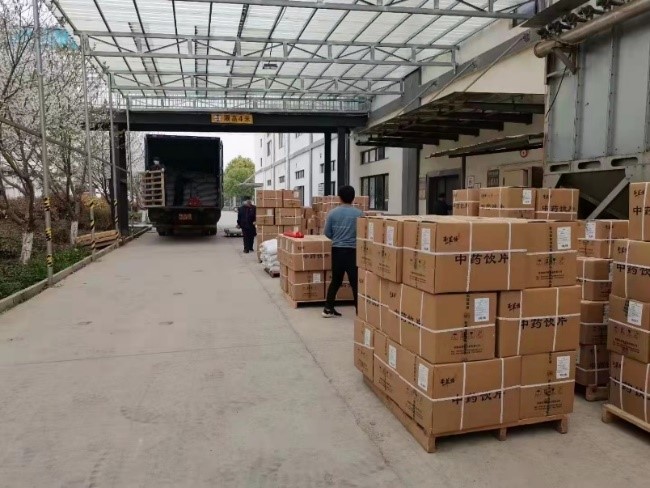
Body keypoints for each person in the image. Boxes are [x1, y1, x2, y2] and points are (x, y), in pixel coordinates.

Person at [322, 185, 363, 318]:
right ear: (353, 198)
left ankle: (328, 309)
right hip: (353, 251)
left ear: (339, 198)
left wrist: (337, 238)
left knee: (336, 280)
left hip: (337, 250)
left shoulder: (333, 213)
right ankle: (360, 312)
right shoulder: (359, 214)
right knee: (355, 282)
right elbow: (362, 233)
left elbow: (327, 233)